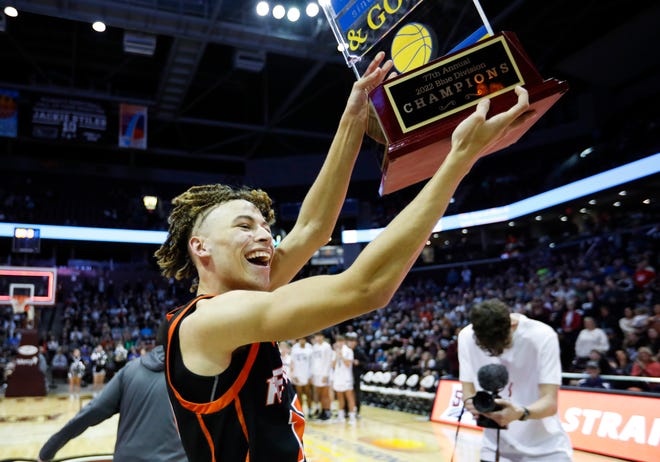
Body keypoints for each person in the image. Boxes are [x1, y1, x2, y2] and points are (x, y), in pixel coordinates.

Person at [157, 45, 531, 460]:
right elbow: (366, 287)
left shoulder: (238, 301)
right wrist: (460, 158)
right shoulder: (208, 321)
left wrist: (353, 116)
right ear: (200, 247)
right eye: (244, 226)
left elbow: (314, 229)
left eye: (266, 226)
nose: (265, 235)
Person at [38, 324, 186, 462]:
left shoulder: (130, 370)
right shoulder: (197, 377)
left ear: (156, 341)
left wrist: (49, 449)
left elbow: (91, 412)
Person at [458, 298, 573, 462]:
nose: (496, 353)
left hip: (546, 449)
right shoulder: (466, 337)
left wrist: (521, 413)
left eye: (500, 345)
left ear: (511, 325)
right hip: (494, 448)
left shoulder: (542, 336)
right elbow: (467, 391)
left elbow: (550, 403)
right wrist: (472, 405)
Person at [331, 334, 356, 425]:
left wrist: (341, 356)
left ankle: (352, 417)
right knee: (340, 397)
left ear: (344, 342)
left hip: (346, 378)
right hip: (338, 377)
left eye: (341, 341)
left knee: (349, 397)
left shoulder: (349, 351)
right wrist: (336, 357)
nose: (339, 343)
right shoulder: (335, 352)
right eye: (338, 342)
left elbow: (348, 364)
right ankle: (341, 416)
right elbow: (333, 366)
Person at [290, 337, 313, 414]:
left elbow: (312, 363)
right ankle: (301, 411)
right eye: (300, 339)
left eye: (303, 339)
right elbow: (292, 362)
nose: (301, 340)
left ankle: (309, 410)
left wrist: (311, 376)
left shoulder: (309, 347)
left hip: (307, 374)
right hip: (298, 375)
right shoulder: (294, 348)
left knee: (308, 393)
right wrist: (294, 375)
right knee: (299, 394)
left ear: (305, 340)